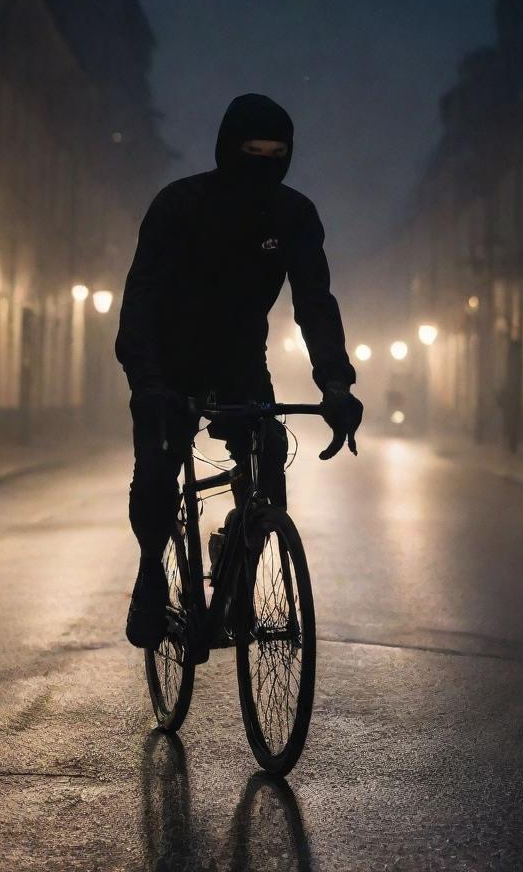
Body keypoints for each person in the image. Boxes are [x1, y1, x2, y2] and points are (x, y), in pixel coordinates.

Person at [115, 93, 363, 647]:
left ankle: (240, 553)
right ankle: (151, 569)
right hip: (167, 359)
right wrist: (146, 380)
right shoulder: (179, 205)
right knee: (157, 474)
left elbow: (315, 303)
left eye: (277, 153)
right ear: (228, 148)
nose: (264, 163)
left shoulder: (293, 215)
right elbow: (141, 297)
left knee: (268, 454)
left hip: (239, 357)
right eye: (252, 151)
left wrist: (337, 382)